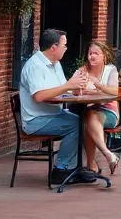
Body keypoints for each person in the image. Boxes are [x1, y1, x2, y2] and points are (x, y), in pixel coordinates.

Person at [20, 28, 89, 185]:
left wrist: (76, 87)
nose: (66, 48)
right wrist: (68, 87)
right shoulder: (34, 66)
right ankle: (60, 170)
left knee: (84, 121)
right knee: (76, 124)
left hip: (54, 114)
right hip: (36, 120)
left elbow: (62, 88)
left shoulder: (55, 64)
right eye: (64, 45)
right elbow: (39, 96)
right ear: (53, 47)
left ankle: (74, 168)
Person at [79, 40, 121, 175]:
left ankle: (93, 163)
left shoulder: (110, 70)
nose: (92, 56)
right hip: (88, 109)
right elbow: (72, 89)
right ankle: (104, 157)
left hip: (108, 111)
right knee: (87, 118)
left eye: (96, 53)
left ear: (104, 55)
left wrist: (98, 86)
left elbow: (115, 92)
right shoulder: (83, 70)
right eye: (90, 53)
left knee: (88, 118)